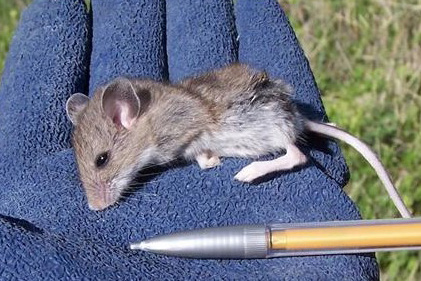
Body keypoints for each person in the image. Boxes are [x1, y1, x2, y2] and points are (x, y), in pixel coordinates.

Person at [0, 0, 378, 279]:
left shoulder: (161, 119)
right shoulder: (147, 127)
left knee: (271, 130)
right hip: (231, 124)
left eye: (102, 162)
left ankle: (291, 155)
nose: (96, 195)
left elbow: (194, 124)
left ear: (124, 115)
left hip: (248, 114)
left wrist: (199, 151)